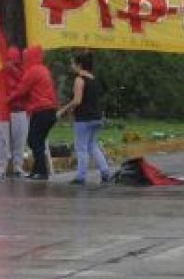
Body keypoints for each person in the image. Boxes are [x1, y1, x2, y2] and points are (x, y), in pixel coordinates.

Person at [57, 51, 112, 185]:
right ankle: (105, 172)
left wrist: (63, 110)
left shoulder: (79, 79)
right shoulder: (93, 78)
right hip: (96, 117)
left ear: (79, 65)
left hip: (84, 118)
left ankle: (81, 176)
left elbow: (77, 100)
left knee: (81, 148)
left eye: (73, 63)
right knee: (93, 146)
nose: (71, 66)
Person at [11, 46, 58, 181]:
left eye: (25, 57)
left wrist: (6, 100)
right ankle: (37, 169)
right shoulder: (43, 69)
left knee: (34, 140)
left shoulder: (32, 71)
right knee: (38, 141)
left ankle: (42, 172)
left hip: (41, 110)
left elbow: (21, 90)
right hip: (49, 111)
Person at [0, 46, 29, 179]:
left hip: (19, 109)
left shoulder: (24, 71)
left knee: (19, 140)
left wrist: (12, 69)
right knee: (2, 140)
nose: (11, 63)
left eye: (13, 60)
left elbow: (24, 85)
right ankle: (2, 167)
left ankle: (17, 166)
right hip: (3, 110)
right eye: (9, 60)